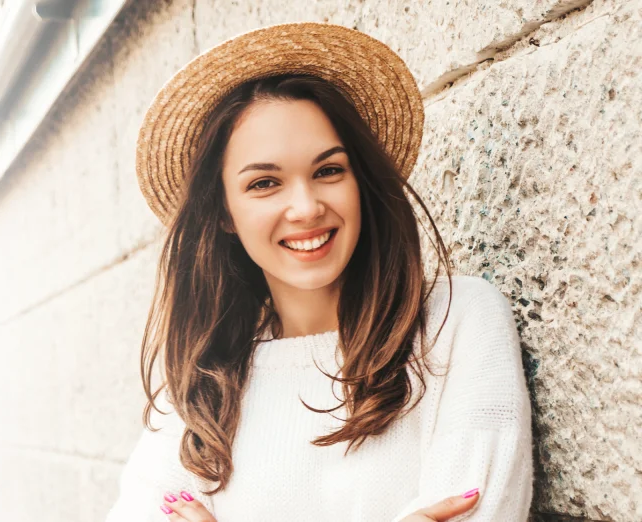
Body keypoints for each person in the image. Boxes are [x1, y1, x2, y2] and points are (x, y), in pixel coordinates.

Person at [104, 23, 533, 521]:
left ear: (360, 181)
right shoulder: (203, 384)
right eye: (265, 183)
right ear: (223, 212)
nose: (306, 207)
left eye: (328, 170)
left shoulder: (456, 322)